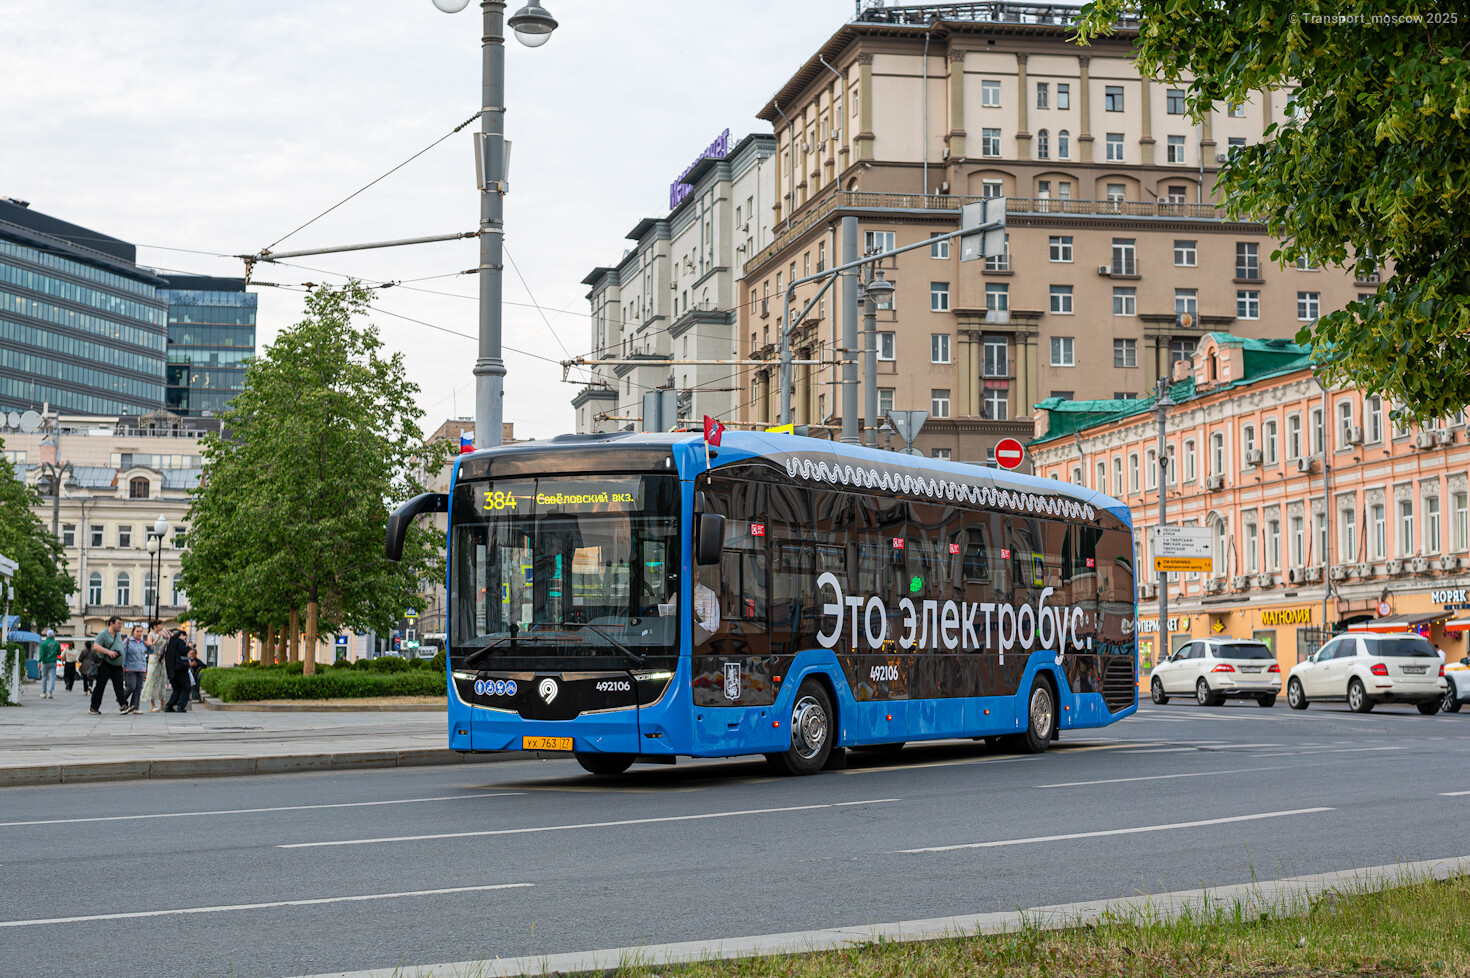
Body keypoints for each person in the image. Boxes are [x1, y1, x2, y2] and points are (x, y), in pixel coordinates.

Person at [88, 617, 129, 715]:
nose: (120, 626)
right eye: (119, 623)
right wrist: (108, 652)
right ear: (111, 623)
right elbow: (96, 646)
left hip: (117, 665)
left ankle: (123, 705)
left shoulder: (118, 635)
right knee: (100, 686)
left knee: (119, 686)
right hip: (105, 664)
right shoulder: (103, 634)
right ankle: (94, 707)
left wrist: (121, 662)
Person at [120, 624, 150, 714]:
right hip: (130, 668)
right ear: (133, 632)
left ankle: (135, 707)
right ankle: (121, 700)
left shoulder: (142, 642)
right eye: (137, 631)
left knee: (138, 688)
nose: (139, 633)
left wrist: (151, 645)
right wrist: (122, 664)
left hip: (141, 668)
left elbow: (150, 651)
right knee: (131, 686)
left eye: (141, 631)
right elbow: (123, 653)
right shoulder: (127, 641)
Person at [139, 621, 168, 712]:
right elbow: (151, 645)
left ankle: (163, 703)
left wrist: (166, 633)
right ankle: (153, 705)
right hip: (153, 658)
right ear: (155, 626)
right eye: (160, 625)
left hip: (161, 658)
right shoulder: (150, 634)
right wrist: (159, 637)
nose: (161, 626)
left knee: (161, 679)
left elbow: (169, 637)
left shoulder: (161, 633)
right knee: (152, 680)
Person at [164, 629, 192, 713]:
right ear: (180, 636)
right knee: (187, 687)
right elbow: (183, 651)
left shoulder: (171, 643)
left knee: (177, 689)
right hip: (180, 669)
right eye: (184, 637)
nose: (185, 639)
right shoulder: (179, 642)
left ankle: (169, 705)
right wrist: (189, 646)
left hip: (172, 670)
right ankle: (181, 705)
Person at [693, 573, 721, 642]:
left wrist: (693, 628)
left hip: (700, 642)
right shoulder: (676, 596)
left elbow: (713, 625)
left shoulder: (708, 594)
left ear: (697, 574)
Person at [37, 629, 60, 699]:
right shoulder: (56, 643)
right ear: (53, 635)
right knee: (52, 677)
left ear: (47, 635)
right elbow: (59, 653)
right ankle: (50, 692)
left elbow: (41, 654)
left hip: (45, 662)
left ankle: (43, 693)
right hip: (53, 662)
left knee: (44, 677)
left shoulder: (43, 644)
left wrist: (39, 662)